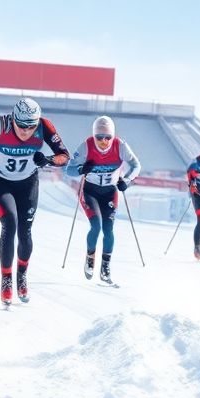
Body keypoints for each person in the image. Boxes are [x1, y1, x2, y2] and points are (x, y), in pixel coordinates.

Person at [0, 96, 69, 305]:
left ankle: (21, 275)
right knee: (10, 223)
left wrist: (47, 160)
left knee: (25, 232)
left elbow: (64, 155)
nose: (25, 130)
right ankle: (6, 279)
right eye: (20, 125)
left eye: (31, 126)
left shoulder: (45, 126)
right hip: (0, 182)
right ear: (13, 119)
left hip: (27, 184)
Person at [65, 115, 141, 285]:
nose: (104, 141)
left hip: (110, 192)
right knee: (96, 226)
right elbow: (68, 169)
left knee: (108, 229)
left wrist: (126, 180)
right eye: (99, 137)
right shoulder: (86, 146)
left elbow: (137, 165)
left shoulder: (120, 146)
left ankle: (105, 267)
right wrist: (80, 168)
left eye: (108, 137)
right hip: (90, 191)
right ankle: (90, 257)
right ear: (94, 136)